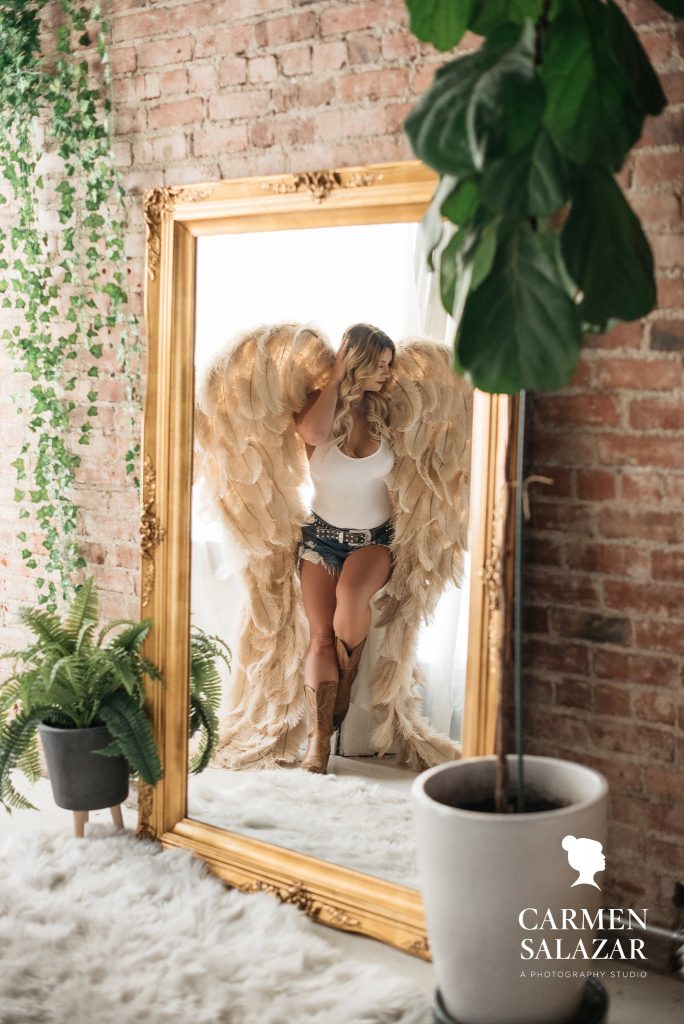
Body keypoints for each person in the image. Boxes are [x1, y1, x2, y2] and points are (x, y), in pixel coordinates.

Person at [293, 323, 397, 773]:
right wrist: (336, 377)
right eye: (379, 364)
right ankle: (319, 740)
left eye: (390, 366)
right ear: (356, 361)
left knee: (351, 600)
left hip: (374, 541)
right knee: (320, 636)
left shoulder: (391, 411)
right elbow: (313, 436)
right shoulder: (319, 408)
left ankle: (344, 681)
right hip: (320, 538)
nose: (386, 374)